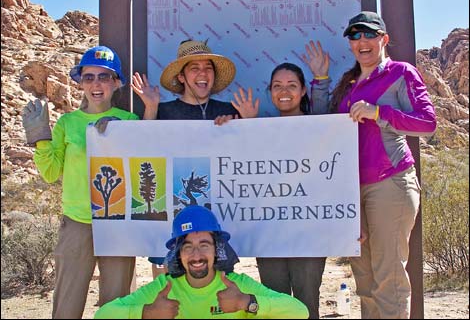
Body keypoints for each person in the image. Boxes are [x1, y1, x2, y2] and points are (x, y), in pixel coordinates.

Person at [311, 11, 437, 318]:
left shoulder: (399, 72)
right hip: (352, 191)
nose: (362, 41)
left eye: (369, 34)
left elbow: (427, 123)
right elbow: (324, 124)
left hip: (390, 184)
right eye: (354, 36)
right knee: (364, 280)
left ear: (384, 39)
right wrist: (320, 79)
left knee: (389, 279)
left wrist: (379, 113)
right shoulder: (349, 82)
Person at [21, 45, 159, 318]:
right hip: (77, 223)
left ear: (116, 83)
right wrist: (41, 139)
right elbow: (50, 173)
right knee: (67, 305)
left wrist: (131, 124)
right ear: (80, 83)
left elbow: (147, 158)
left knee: (116, 306)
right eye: (89, 77)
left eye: (104, 77)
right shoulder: (68, 123)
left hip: (118, 223)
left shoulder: (128, 119)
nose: (96, 84)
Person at [132, 39, 258, 277]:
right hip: (172, 217)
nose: (203, 74)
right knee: (169, 292)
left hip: (218, 220)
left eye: (208, 68)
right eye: (194, 68)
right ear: (181, 77)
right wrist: (150, 108)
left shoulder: (229, 110)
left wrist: (245, 124)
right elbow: (145, 153)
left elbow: (247, 161)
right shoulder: (164, 111)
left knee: (217, 290)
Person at [231, 53, 330, 319]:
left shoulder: (319, 126)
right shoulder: (261, 127)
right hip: (270, 233)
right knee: (273, 303)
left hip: (309, 234)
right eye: (277, 86)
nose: (284, 91)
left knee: (308, 302)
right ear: (270, 91)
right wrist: (247, 127)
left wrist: (321, 78)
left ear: (302, 91)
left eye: (291, 85)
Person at [94, 205, 309, 318]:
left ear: (217, 250)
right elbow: (103, 315)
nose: (196, 255)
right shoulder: (165, 288)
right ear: (178, 253)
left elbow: (300, 312)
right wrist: (147, 314)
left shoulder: (236, 285)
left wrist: (247, 302)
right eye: (188, 246)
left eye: (204, 245)